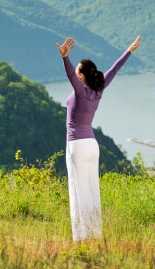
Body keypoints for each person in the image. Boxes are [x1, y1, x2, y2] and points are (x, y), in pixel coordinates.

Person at [56, 35, 141, 241]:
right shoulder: (98, 91)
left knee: (78, 191)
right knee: (93, 191)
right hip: (92, 147)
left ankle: (80, 239)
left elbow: (69, 75)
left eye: (78, 71)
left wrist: (65, 58)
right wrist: (128, 51)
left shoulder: (80, 91)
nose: (75, 75)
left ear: (82, 76)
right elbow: (115, 68)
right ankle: (94, 234)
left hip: (76, 146)